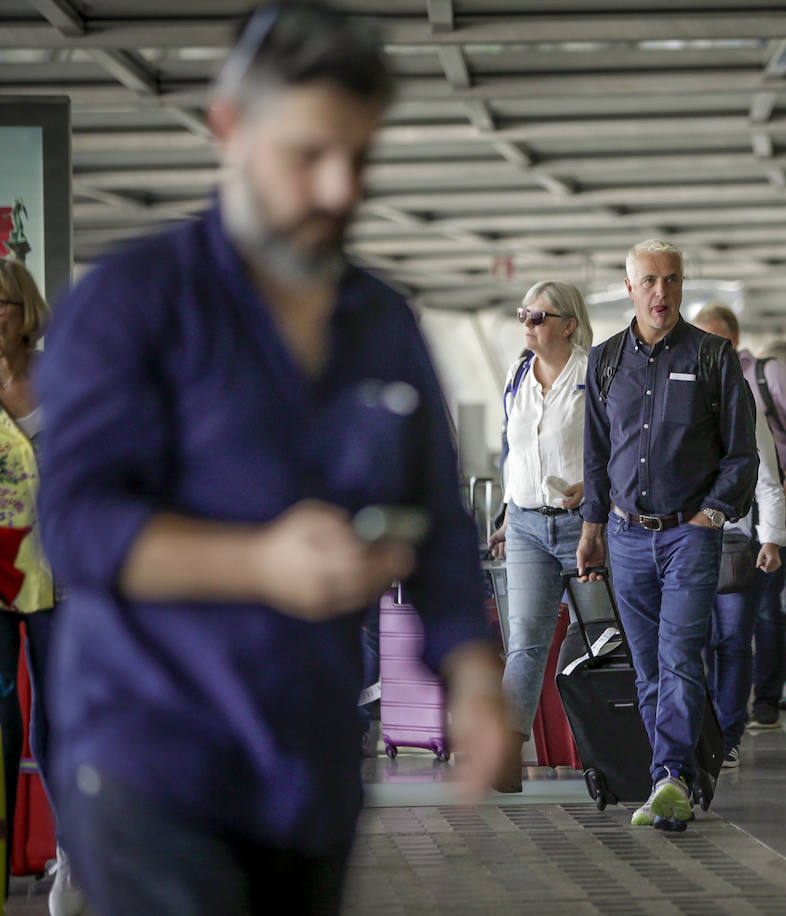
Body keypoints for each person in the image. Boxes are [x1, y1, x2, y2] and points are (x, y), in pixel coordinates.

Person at [35, 6, 509, 911]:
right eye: (307, 154)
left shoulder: (381, 324)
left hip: (311, 769)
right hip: (154, 762)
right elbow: (78, 526)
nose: (339, 189)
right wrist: (259, 563)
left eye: (360, 159)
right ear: (228, 128)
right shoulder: (133, 305)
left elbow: (437, 520)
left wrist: (475, 678)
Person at [578, 240, 757, 831]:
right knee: (649, 668)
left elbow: (741, 453)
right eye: (650, 281)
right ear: (629, 288)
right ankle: (668, 776)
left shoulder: (713, 356)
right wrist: (593, 528)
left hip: (690, 536)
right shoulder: (604, 362)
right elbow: (596, 455)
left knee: (680, 658)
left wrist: (712, 513)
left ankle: (671, 776)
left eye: (673, 280)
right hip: (628, 539)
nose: (662, 292)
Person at [486, 281, 593, 793]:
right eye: (523, 315)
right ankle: (506, 752)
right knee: (525, 642)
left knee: (604, 637)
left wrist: (591, 491)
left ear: (568, 324)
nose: (527, 324)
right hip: (527, 524)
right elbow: (514, 454)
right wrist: (508, 515)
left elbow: (615, 449)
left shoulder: (593, 375)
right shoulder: (516, 376)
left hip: (582, 524)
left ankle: (615, 744)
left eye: (538, 316)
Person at [693, 305, 786, 724]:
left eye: (713, 339)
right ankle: (708, 725)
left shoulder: (759, 384)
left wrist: (774, 526)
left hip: (746, 529)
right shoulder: (680, 392)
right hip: (689, 538)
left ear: (732, 340)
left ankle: (748, 713)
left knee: (748, 627)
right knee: (700, 639)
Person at [0, 258, 78, 913]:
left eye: (0, 303)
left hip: (60, 576)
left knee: (59, 720)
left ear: (24, 309)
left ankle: (74, 854)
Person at [708, 407, 786, 769]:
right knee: (690, 643)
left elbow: (768, 482)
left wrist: (770, 540)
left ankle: (727, 736)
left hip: (733, 541)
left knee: (732, 640)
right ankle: (699, 732)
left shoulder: (743, 404)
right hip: (680, 539)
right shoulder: (670, 391)